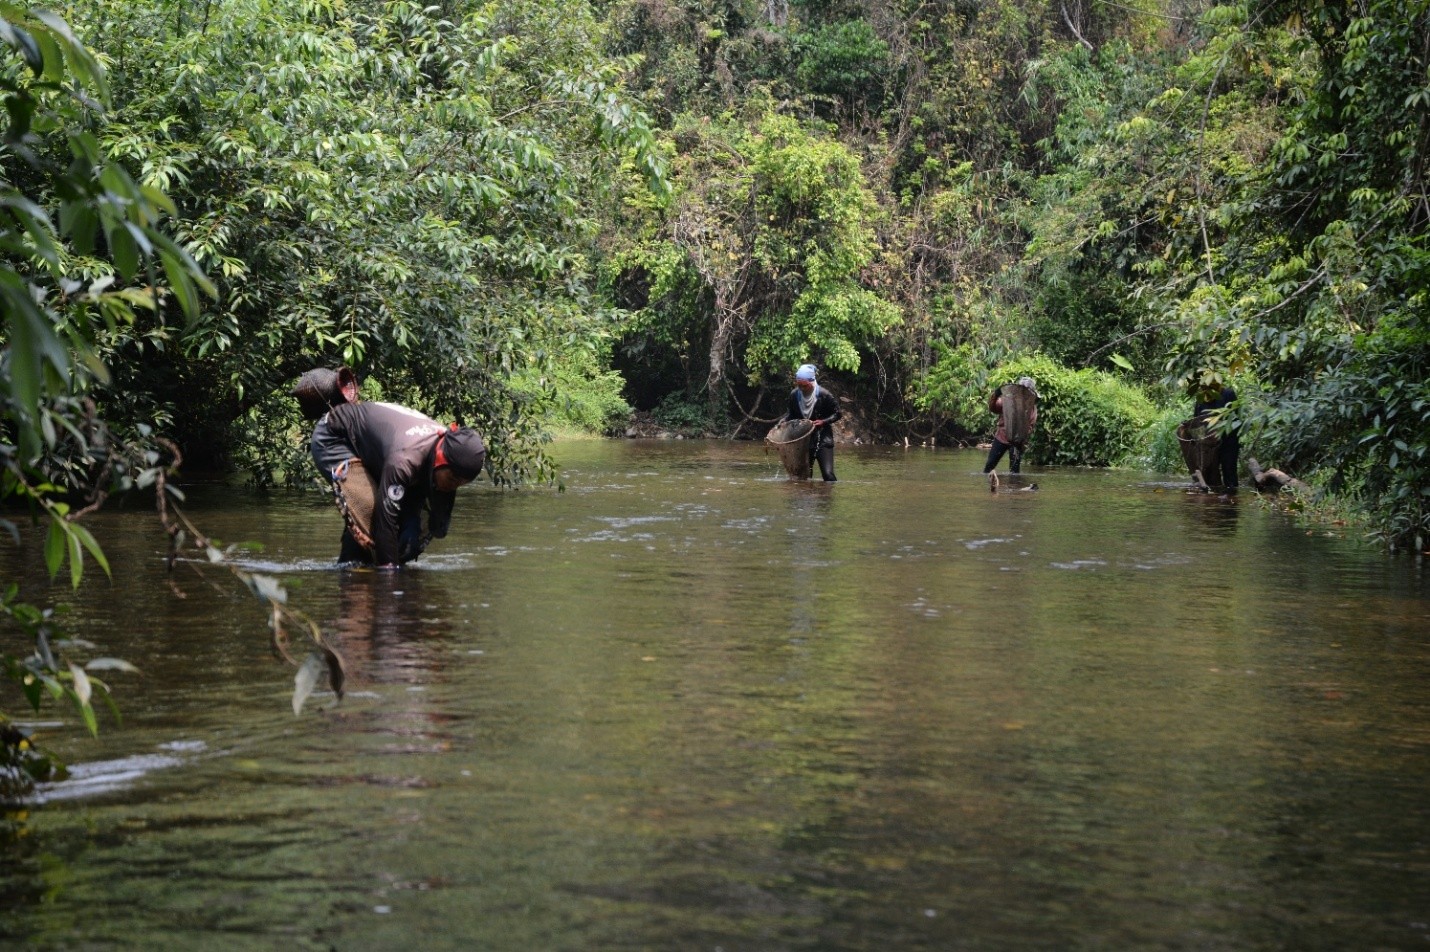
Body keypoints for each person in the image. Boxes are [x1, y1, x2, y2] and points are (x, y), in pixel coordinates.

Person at [310, 401, 486, 567]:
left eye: (461, 484)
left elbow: (416, 490)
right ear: (440, 461)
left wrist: (412, 523)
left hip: (378, 448)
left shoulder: (442, 447)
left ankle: (356, 571)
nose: (452, 487)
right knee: (370, 511)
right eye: (452, 480)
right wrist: (390, 576)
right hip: (335, 436)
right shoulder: (404, 461)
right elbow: (385, 518)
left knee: (402, 526)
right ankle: (353, 570)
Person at [781, 363, 841, 482]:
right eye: (799, 385)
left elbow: (838, 414)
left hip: (823, 439)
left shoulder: (825, 395)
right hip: (802, 440)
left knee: (828, 475)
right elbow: (791, 414)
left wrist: (823, 421)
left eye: (805, 385)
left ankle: (826, 499)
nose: (802, 388)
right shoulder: (794, 395)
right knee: (803, 477)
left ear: (812, 381)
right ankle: (805, 497)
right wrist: (782, 422)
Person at [983, 376, 1038, 474]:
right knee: (989, 467)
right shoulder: (1007, 400)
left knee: (1014, 473)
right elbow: (993, 408)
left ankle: (1014, 488)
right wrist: (995, 395)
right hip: (1001, 437)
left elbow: (1030, 427)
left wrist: (1021, 438)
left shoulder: (1031, 408)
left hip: (1018, 442)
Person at [1193, 384, 1239, 492]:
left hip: (1228, 441)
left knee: (1229, 470)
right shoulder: (1201, 399)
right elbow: (1196, 420)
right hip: (1209, 444)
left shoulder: (1228, 394)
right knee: (1209, 474)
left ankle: (1232, 498)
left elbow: (1235, 418)